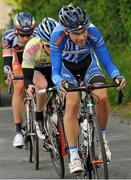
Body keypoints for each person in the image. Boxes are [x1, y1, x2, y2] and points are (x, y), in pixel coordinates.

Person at [50, 3, 126, 174]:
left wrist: (117, 75)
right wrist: (59, 83)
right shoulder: (57, 36)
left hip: (88, 64)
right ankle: (74, 155)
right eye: (76, 33)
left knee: (103, 97)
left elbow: (107, 61)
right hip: (66, 69)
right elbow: (55, 71)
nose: (82, 36)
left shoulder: (93, 32)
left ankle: (101, 140)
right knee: (72, 103)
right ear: (66, 30)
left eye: (83, 30)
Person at [2, 12, 37, 148]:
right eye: (22, 35)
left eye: (28, 35)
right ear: (16, 31)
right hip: (18, 60)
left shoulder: (39, 34)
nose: (25, 38)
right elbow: (7, 59)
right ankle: (18, 132)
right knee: (20, 85)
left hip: (34, 59)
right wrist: (8, 73)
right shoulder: (8, 36)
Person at [22, 18, 58, 135]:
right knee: (42, 86)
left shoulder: (63, 42)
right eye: (48, 46)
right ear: (41, 41)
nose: (52, 50)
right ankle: (39, 115)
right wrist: (29, 84)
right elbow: (27, 72)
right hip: (37, 69)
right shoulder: (32, 46)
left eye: (54, 45)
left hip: (53, 68)